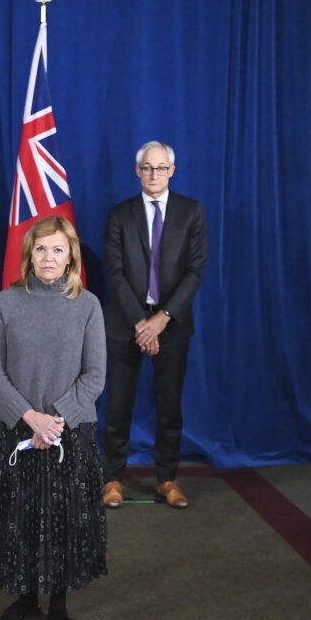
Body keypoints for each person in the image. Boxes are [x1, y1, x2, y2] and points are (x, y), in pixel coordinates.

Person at [0, 216, 107, 620]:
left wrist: (54, 422)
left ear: (71, 257)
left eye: (57, 249)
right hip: (16, 429)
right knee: (19, 516)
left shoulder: (87, 305)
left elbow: (94, 376)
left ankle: (58, 602)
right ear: (28, 256)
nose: (48, 257)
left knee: (63, 518)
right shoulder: (5, 303)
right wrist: (30, 418)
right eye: (40, 249)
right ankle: (26, 596)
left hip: (70, 432)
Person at [102, 141, 208, 509]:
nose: (153, 174)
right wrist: (141, 322)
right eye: (147, 167)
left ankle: (167, 479)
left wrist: (161, 319)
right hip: (126, 322)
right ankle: (112, 478)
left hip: (172, 323)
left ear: (172, 171)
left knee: (170, 408)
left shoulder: (191, 212)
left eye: (161, 168)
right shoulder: (120, 214)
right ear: (137, 171)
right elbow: (114, 272)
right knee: (118, 407)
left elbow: (196, 270)